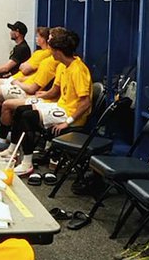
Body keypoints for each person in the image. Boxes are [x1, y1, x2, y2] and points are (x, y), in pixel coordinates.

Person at [8, 30, 92, 176]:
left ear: (58, 52)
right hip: (62, 106)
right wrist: (41, 95)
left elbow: (86, 103)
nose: (50, 52)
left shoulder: (78, 69)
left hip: (71, 114)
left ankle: (27, 164)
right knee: (21, 110)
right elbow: (55, 90)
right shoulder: (63, 66)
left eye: (52, 49)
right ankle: (12, 151)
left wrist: (68, 122)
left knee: (28, 117)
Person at [0, 26, 53, 121]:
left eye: (38, 36)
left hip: (25, 88)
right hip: (20, 80)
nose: (36, 38)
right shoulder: (38, 53)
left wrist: (17, 82)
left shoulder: (47, 58)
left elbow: (25, 72)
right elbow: (23, 67)